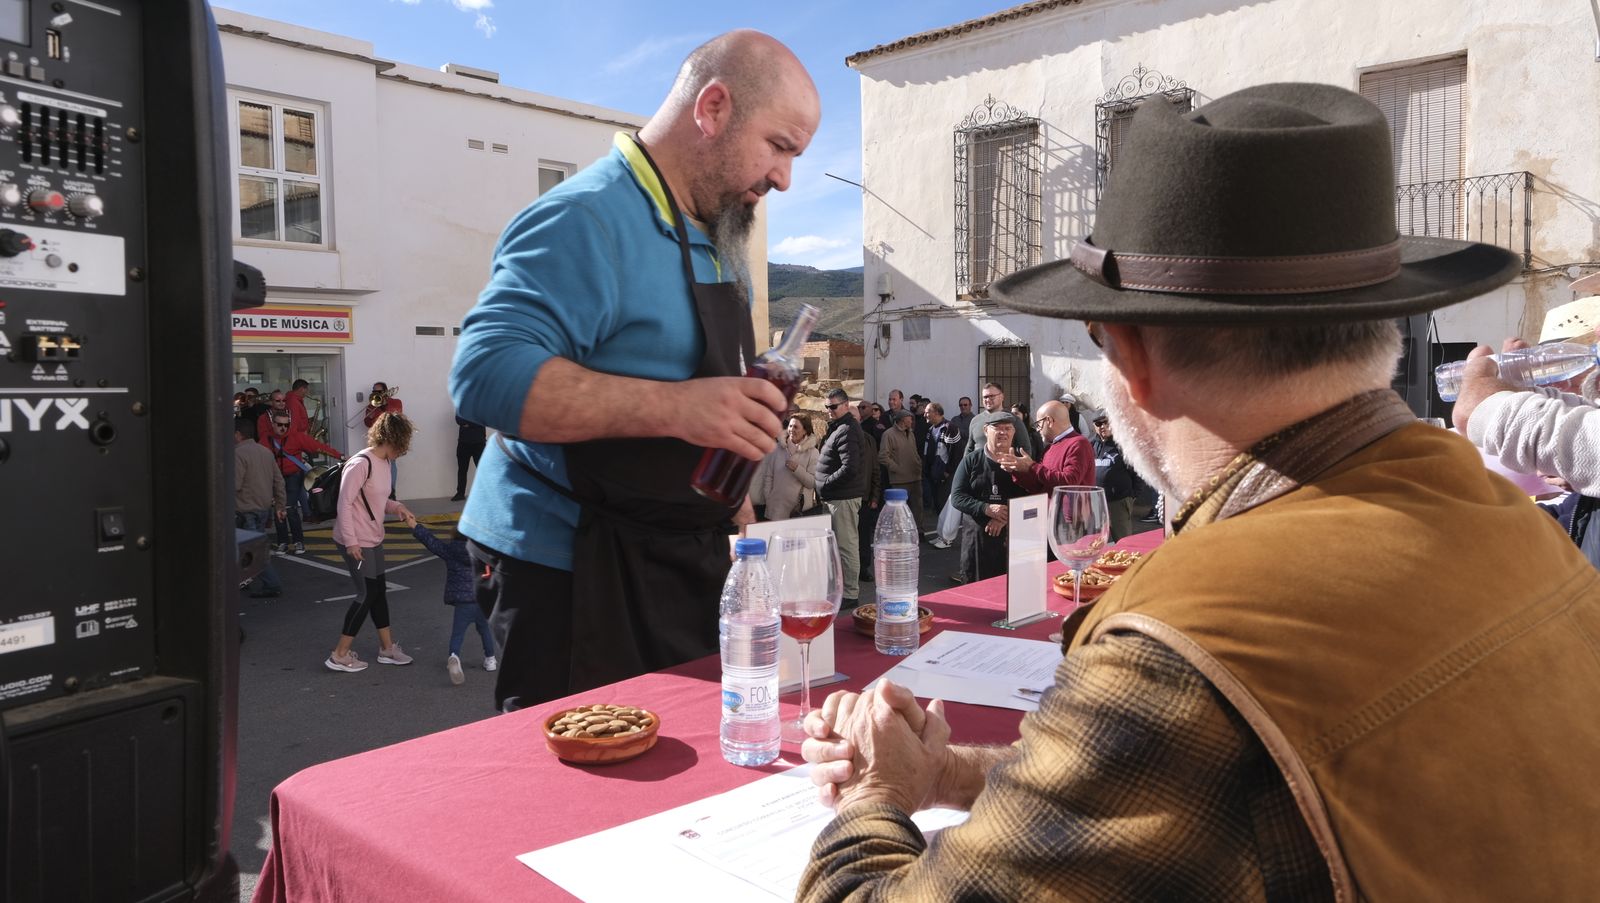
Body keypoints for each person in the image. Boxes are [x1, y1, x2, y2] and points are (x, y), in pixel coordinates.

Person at [796, 83, 1598, 901]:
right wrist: (946, 771)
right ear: (1380, 325)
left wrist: (876, 796)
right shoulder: (1508, 516)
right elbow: (1204, 785)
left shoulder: (1186, 635)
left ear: (1133, 360)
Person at [449, 31, 820, 711]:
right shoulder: (586, 217)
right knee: (591, 800)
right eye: (779, 146)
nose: (784, 178)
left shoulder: (718, 233)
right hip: (574, 572)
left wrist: (730, 488)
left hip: (679, 557)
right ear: (712, 107)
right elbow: (483, 373)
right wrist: (679, 408)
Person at [326, 412, 417, 673]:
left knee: (378, 592)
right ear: (392, 439)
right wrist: (352, 542)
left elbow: (376, 500)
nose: (404, 450)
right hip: (355, 541)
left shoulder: (385, 463)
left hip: (373, 537)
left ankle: (387, 650)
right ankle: (339, 655)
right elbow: (343, 503)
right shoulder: (360, 463)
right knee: (366, 594)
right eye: (403, 444)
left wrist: (396, 506)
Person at [404, 512, 497, 684]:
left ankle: (454, 656)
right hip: (481, 600)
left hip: (462, 603)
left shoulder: (451, 551)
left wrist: (415, 526)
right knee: (484, 630)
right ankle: (490, 659)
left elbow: (432, 543)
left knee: (457, 634)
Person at [948, 411, 1029, 580]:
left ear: (1014, 432)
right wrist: (986, 508)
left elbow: (1031, 498)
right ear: (986, 430)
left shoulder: (1022, 463)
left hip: (1012, 542)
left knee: (1009, 594)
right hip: (976, 543)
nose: (1003, 433)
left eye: (1008, 428)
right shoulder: (971, 460)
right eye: (997, 428)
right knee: (975, 594)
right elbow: (957, 496)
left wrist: (1003, 517)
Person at [261, 411, 344, 555]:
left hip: (293, 476)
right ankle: (283, 543)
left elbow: (318, 447)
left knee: (289, 508)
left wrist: (340, 456)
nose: (283, 428)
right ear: (273, 424)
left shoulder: (296, 437)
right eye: (279, 424)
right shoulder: (265, 439)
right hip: (275, 478)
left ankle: (298, 541)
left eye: (286, 425)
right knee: (278, 510)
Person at [813, 389, 866, 604]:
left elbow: (850, 467)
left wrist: (825, 483)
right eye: (826, 407)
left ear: (845, 405)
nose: (829, 411)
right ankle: (842, 591)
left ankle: (850, 594)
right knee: (839, 548)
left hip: (842, 499)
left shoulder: (847, 429)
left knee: (846, 546)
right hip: (836, 497)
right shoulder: (840, 428)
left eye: (833, 406)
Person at [234, 418, 286, 599]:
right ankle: (242, 579)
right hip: (263, 507)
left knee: (251, 550)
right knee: (247, 547)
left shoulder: (238, 454)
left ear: (237, 434)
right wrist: (280, 504)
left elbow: (235, 485)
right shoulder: (265, 452)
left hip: (245, 508)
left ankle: (272, 584)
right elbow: (278, 481)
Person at [1002, 399, 1094, 494]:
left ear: (1049, 421)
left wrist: (1031, 466)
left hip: (1072, 509)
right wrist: (1017, 470)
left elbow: (1069, 483)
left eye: (1039, 424)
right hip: (1050, 508)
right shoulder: (1049, 448)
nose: (1038, 430)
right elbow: (1040, 486)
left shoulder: (1079, 443)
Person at [1090, 411, 1143, 540]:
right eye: (1098, 423)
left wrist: (1133, 495)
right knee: (1096, 541)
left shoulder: (1124, 445)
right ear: (1094, 426)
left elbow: (1137, 471)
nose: (1102, 426)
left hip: (1118, 501)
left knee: (1123, 540)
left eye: (1106, 422)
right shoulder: (1090, 444)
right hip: (1096, 501)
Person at [763, 412, 820, 520]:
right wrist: (769, 498)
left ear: (805, 430)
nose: (792, 430)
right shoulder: (777, 449)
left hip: (799, 510)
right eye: (790, 426)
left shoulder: (813, 452)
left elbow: (812, 483)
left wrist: (797, 469)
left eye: (796, 427)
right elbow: (768, 477)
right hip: (776, 509)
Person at [854, 399, 884, 585]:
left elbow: (875, 469)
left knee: (863, 535)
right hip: (844, 497)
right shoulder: (834, 436)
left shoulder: (869, 439)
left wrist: (874, 496)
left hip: (864, 497)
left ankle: (863, 568)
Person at [878, 407, 923, 527]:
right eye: (910, 420)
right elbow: (883, 456)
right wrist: (897, 468)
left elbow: (914, 452)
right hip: (899, 480)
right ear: (902, 420)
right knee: (899, 510)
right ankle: (900, 533)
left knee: (918, 508)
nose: (912, 422)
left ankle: (919, 531)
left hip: (915, 477)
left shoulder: (911, 433)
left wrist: (918, 464)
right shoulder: (888, 434)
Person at [921, 402, 961, 533]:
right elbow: (927, 452)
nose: (924, 414)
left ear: (937, 412)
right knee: (938, 505)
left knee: (945, 506)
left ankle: (947, 538)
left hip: (945, 476)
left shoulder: (950, 428)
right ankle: (940, 535)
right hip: (933, 475)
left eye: (927, 411)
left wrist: (947, 472)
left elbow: (956, 453)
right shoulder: (930, 429)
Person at [453, 414, 487, 501]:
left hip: (479, 443)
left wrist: (468, 423)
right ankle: (460, 493)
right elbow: (459, 420)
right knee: (462, 470)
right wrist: (474, 422)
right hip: (463, 443)